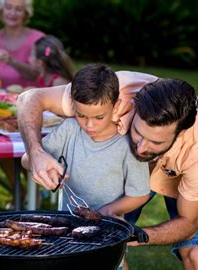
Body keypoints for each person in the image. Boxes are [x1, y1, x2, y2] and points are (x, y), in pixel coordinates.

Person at [17, 71, 198, 269]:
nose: (140, 148)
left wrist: (135, 235)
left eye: (155, 142)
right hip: (130, 173)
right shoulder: (115, 91)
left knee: (195, 254)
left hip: (178, 174)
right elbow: (31, 97)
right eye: (138, 132)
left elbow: (189, 223)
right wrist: (36, 154)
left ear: (179, 134)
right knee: (102, 246)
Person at [22, 64, 150, 218]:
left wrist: (107, 211)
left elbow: (140, 194)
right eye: (81, 115)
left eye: (99, 117)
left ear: (116, 106)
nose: (89, 125)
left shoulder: (128, 144)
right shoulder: (69, 130)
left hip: (108, 227)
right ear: (73, 104)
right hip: (67, 222)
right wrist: (40, 164)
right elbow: (25, 160)